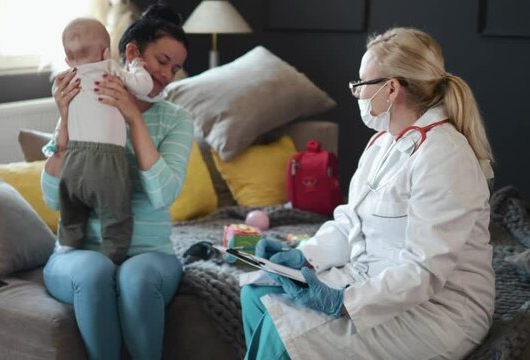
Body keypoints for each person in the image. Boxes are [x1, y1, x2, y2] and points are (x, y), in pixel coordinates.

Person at [242, 27, 495, 359]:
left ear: (391, 89)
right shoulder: (382, 142)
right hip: (372, 280)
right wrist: (306, 256)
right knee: (257, 291)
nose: (357, 93)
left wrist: (344, 302)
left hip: (439, 310)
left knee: (284, 332)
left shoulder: (444, 155)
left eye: (361, 84)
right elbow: (351, 222)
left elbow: (425, 272)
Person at [40, 4, 192, 360]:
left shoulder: (176, 120)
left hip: (151, 255)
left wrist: (134, 121)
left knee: (134, 277)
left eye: (175, 67)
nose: (168, 74)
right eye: (162, 61)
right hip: (78, 253)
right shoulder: (81, 101)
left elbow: (162, 196)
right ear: (132, 54)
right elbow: (52, 199)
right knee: (95, 270)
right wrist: (65, 123)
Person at [45, 17, 154, 263]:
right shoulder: (110, 69)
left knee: (71, 211)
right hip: (107, 163)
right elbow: (144, 86)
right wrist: (136, 66)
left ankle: (68, 245)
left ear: (67, 60)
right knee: (116, 215)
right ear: (106, 53)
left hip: (72, 162)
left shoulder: (64, 82)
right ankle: (113, 257)